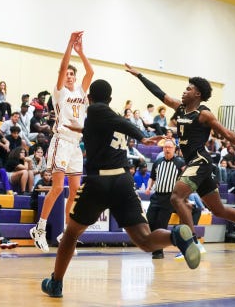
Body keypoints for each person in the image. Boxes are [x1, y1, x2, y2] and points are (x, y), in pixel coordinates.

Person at [41, 79, 200, 298]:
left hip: (100, 182)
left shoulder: (98, 111)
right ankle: (175, 237)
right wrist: (76, 127)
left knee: (70, 234)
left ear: (90, 98)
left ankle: (56, 283)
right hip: (123, 181)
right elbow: (102, 126)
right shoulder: (102, 120)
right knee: (144, 240)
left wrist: (142, 135)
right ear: (111, 98)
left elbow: (121, 122)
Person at [125, 63, 235, 255]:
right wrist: (140, 76)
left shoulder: (204, 114)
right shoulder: (180, 108)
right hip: (194, 163)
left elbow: (227, 133)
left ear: (197, 94)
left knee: (176, 197)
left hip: (200, 160)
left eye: (189, 89)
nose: (184, 91)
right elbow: (159, 93)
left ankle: (193, 242)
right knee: (219, 210)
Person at [30, 31, 93, 253]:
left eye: (71, 74)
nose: (68, 76)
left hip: (76, 145)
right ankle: (39, 228)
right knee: (58, 187)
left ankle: (66, 234)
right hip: (61, 141)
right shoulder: (59, 93)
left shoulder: (81, 90)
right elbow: (62, 67)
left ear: (75, 78)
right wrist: (69, 45)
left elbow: (91, 71)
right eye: (65, 74)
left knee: (75, 190)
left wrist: (81, 52)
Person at [145, 139, 186, 259]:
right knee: (149, 221)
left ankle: (158, 251)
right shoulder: (157, 162)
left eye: (169, 147)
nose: (167, 149)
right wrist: (148, 187)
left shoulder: (180, 163)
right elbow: (152, 177)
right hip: (156, 196)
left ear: (174, 149)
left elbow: (186, 178)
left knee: (160, 224)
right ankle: (157, 246)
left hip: (169, 198)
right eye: (165, 147)